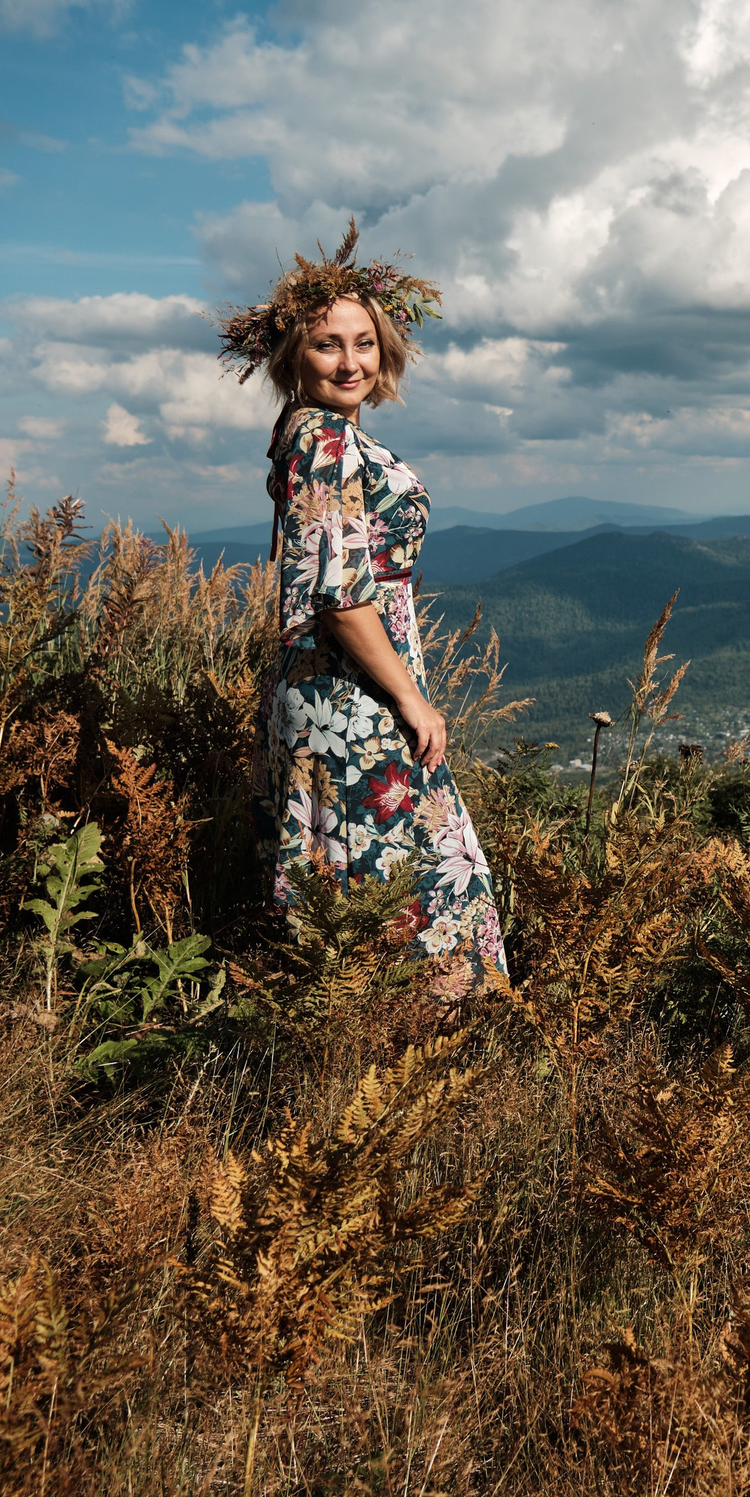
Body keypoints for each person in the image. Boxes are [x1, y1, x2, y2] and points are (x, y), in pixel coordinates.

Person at [218, 222, 508, 998]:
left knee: (347, 884)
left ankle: (355, 1047)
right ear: (292, 358)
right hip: (353, 695)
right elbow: (339, 595)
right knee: (404, 879)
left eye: (363, 343)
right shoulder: (323, 442)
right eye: (327, 346)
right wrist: (413, 698)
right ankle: (402, 1051)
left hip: (325, 692)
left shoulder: (305, 433)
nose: (350, 361)